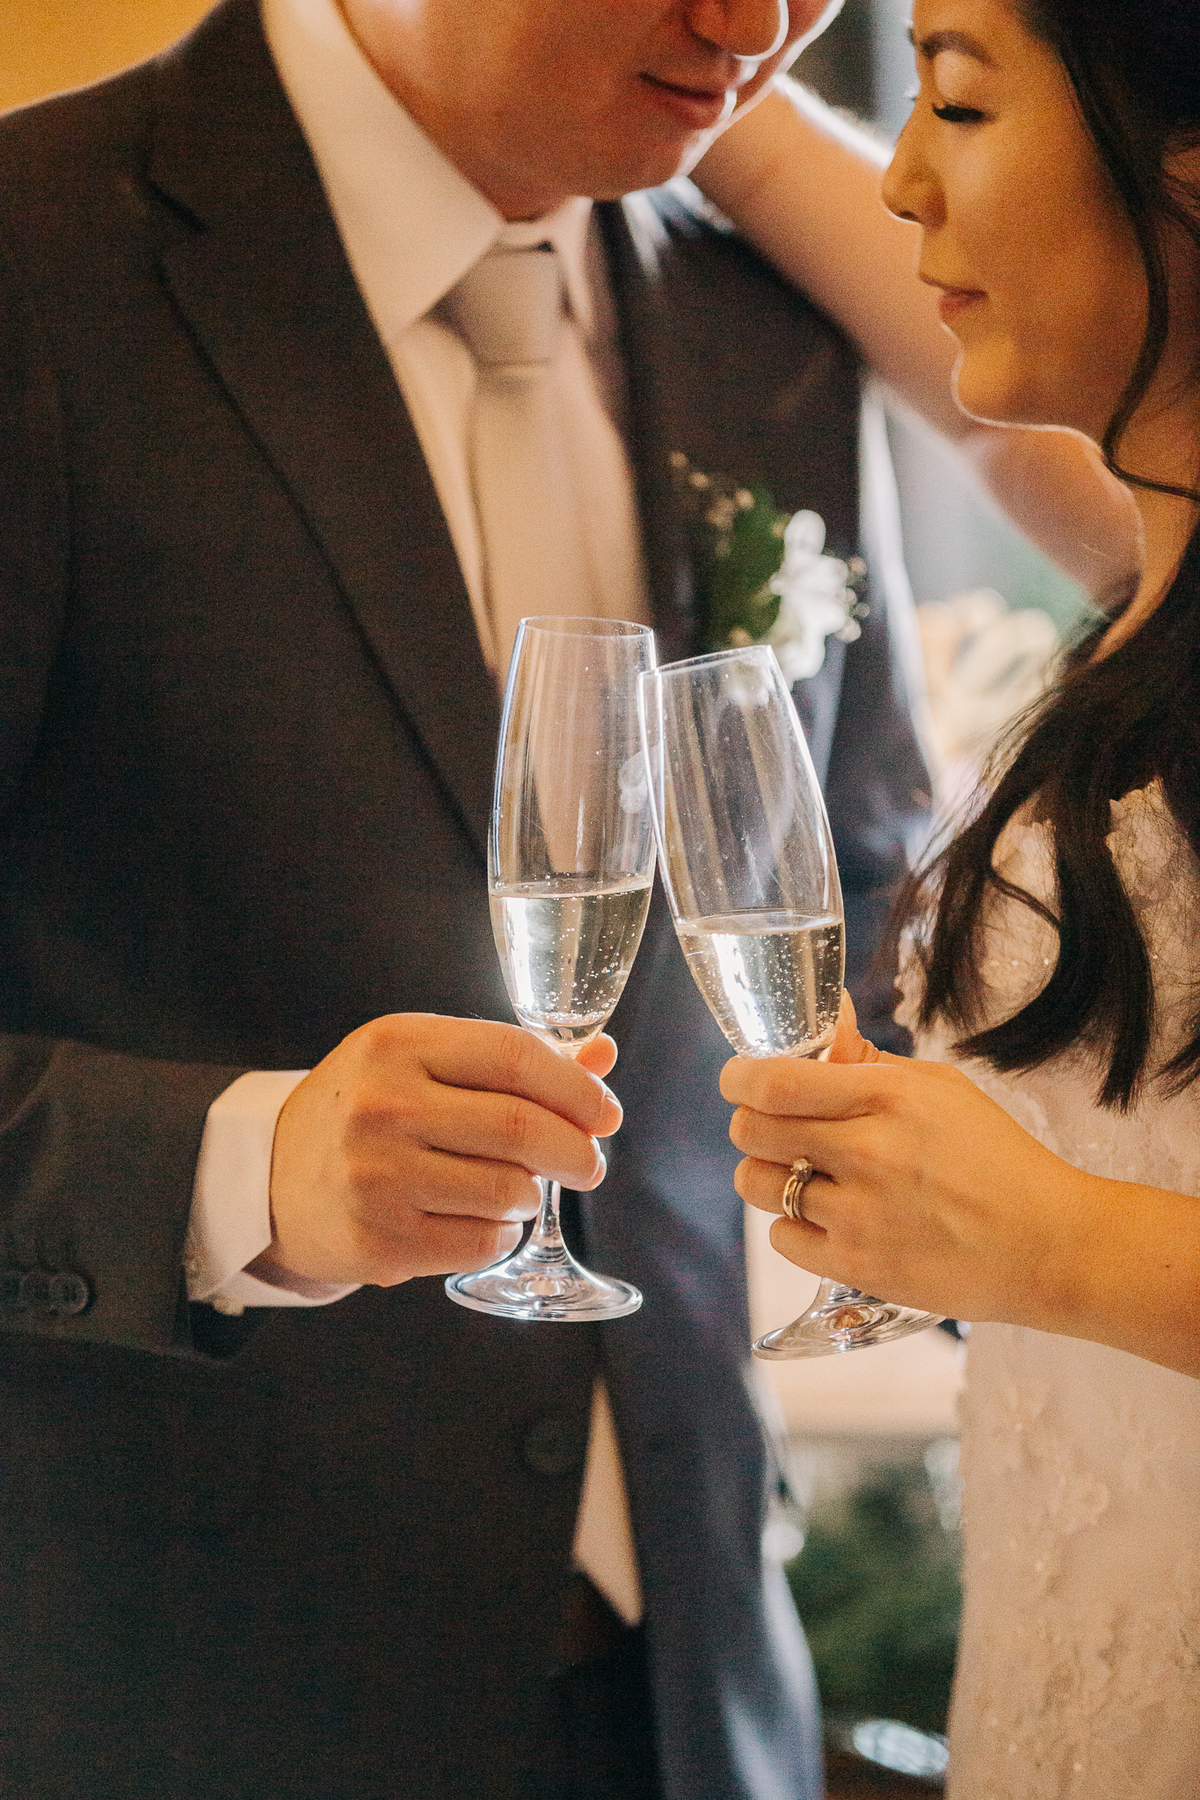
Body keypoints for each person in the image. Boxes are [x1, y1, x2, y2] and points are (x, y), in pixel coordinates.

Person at [0, 0, 957, 1793]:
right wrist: (240, 1170)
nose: (753, 28)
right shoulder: (35, 266)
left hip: (694, 1671)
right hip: (178, 1696)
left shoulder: (767, 314)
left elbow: (866, 881)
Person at [708, 1, 1200, 1792]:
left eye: (962, 100)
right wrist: (705, 108)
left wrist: (1047, 1237)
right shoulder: (1154, 580)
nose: (904, 176)